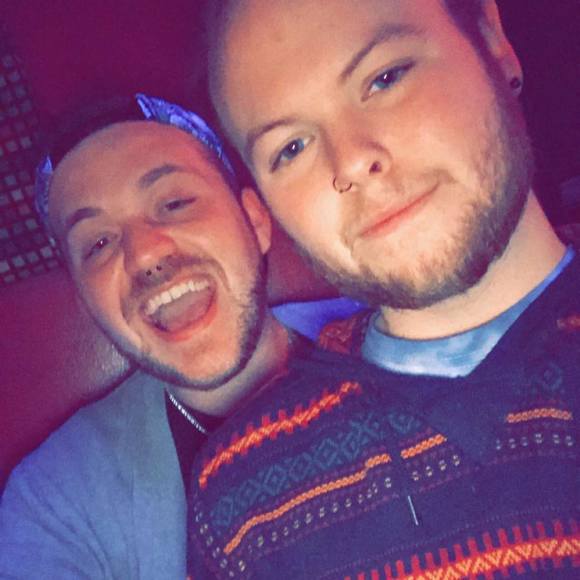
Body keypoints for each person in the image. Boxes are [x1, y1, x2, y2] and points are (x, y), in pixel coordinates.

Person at [186, 1, 579, 577]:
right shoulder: (244, 505)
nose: (351, 161)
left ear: (492, 42)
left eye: (385, 78)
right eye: (291, 148)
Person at [0, 94, 299, 578]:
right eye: (98, 244)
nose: (144, 255)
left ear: (255, 221)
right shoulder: (55, 503)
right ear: (86, 298)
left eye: (174, 203)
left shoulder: (403, 338)